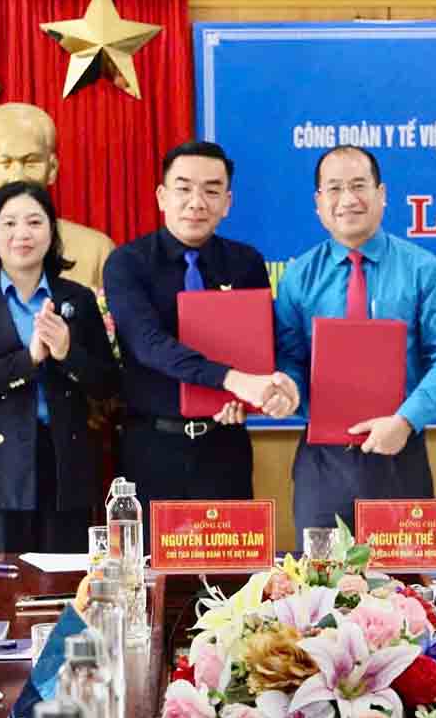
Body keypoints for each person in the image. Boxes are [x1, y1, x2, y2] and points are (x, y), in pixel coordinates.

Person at [275, 145, 436, 533]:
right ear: (318, 203)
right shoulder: (298, 276)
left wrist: (405, 421)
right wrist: (287, 389)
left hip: (400, 451)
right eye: (334, 188)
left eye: (359, 186)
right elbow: (290, 357)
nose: (348, 199)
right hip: (323, 460)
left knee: (407, 586)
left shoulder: (421, 270)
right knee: (318, 585)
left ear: (381, 194)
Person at [103, 140, 297, 507]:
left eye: (211, 191)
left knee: (231, 560)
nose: (197, 202)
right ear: (162, 196)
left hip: (225, 446)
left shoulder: (245, 263)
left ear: (227, 203)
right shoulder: (127, 263)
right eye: (184, 189)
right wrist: (235, 380)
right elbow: (148, 345)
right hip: (151, 448)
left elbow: (259, 346)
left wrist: (248, 395)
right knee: (149, 564)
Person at [0, 181, 120, 553]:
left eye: (34, 223)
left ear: (51, 232)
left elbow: (108, 384)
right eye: (9, 224)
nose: (22, 234)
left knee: (61, 592)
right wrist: (29, 360)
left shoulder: (78, 298)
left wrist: (68, 351)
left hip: (62, 464)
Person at [0, 102, 116, 291]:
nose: (18, 176)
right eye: (5, 163)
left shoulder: (96, 251)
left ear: (52, 168)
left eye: (31, 162)